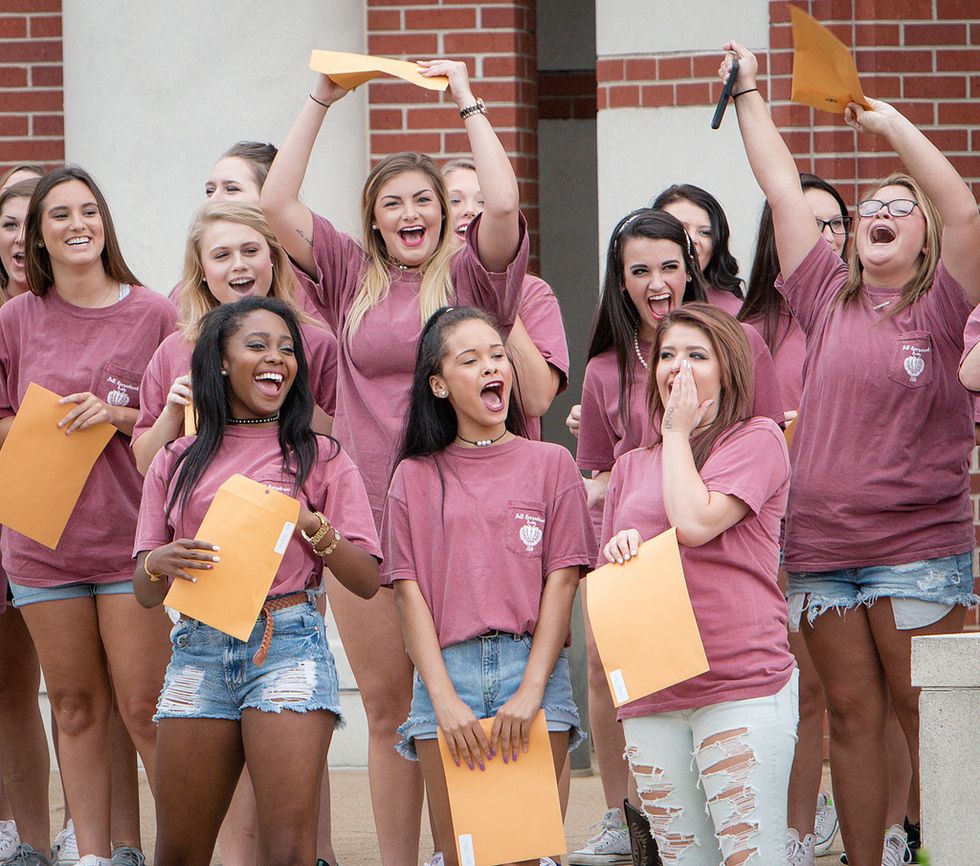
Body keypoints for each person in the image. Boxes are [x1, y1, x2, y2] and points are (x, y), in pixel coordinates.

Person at [260, 58, 528, 865]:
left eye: (424, 201)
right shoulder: (351, 279)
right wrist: (322, 99)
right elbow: (274, 203)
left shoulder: (478, 277)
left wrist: (466, 100)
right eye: (392, 204)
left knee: (466, 708)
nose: (409, 214)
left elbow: (507, 201)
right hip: (369, 522)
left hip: (465, 520)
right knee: (387, 709)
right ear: (374, 223)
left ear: (446, 214)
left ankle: (473, 853)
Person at [725, 41, 980, 866]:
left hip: (918, 554)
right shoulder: (822, 298)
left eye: (901, 208)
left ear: (925, 237)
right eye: (872, 203)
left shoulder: (942, 307)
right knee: (851, 717)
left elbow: (969, 215)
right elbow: (777, 184)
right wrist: (753, 90)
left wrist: (889, 123)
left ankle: (944, 848)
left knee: (925, 712)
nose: (882, 210)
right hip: (823, 557)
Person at [133, 296, 380, 866]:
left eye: (288, 349)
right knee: (176, 852)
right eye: (259, 346)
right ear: (219, 361)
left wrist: (311, 523)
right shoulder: (175, 459)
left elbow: (366, 579)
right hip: (197, 649)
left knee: (289, 852)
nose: (278, 359)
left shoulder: (321, 456)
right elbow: (145, 591)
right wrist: (157, 563)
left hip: (287, 646)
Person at [0, 166, 178, 866]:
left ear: (105, 223)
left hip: (127, 544)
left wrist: (116, 414)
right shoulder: (15, 319)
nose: (78, 224)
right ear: (38, 238)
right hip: (40, 544)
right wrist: (30, 428)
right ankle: (94, 857)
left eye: (89, 211)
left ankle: (186, 847)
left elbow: (181, 421)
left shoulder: (154, 313)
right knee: (73, 706)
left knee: (146, 710)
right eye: (60, 215)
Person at [382, 306, 594, 866]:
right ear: (439, 384)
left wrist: (531, 691)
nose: (490, 368)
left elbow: (562, 581)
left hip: (535, 672)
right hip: (446, 676)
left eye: (497, 356)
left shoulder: (552, 465)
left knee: (525, 852)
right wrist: (444, 700)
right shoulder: (414, 475)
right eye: (470, 360)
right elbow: (409, 594)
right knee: (463, 856)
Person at [602, 303, 797, 866]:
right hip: (652, 693)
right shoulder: (634, 465)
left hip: (740, 684)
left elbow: (693, 523)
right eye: (666, 355)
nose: (677, 368)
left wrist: (677, 432)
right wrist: (618, 551)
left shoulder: (757, 439)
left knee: (749, 855)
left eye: (696, 355)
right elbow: (612, 574)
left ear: (728, 370)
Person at [133, 201, 337, 475]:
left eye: (251, 251)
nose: (239, 265)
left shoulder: (317, 345)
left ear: (273, 258)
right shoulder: (174, 350)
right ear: (202, 271)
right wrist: (172, 413)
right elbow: (146, 466)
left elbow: (344, 444)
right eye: (221, 256)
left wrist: (294, 392)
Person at [442, 158, 568, 439]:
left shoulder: (533, 292)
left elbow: (536, 400)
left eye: (482, 202)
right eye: (454, 201)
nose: (470, 211)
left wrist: (496, 290)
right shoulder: (417, 291)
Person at [652, 184, 744, 315]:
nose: (693, 239)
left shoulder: (735, 314)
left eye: (705, 232)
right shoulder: (627, 307)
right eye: (681, 229)